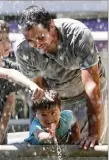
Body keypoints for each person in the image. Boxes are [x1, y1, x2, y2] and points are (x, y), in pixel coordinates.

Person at [15, 5, 107, 149]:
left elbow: (91, 86)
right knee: (47, 147)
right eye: (30, 41)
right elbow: (40, 91)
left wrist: (94, 134)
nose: (37, 45)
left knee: (90, 147)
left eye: (40, 37)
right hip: (56, 96)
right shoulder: (23, 50)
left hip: (87, 94)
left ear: (51, 25)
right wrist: (48, 123)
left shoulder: (77, 35)